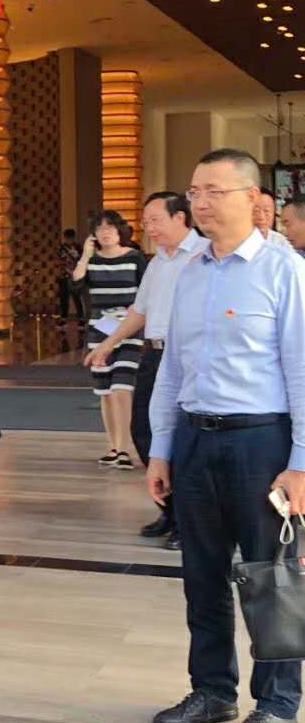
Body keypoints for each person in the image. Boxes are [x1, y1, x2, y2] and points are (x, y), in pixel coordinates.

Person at [148, 149, 305, 723]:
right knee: (202, 574)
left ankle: (278, 704)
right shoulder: (190, 273)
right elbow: (172, 370)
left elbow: (302, 372)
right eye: (195, 191)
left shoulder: (284, 270)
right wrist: (162, 449)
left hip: (261, 442)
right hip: (196, 439)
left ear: (251, 198)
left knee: (271, 576)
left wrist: (300, 463)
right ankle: (212, 690)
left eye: (214, 190)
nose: (200, 202)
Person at [85, 191, 208, 550]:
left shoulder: (205, 255)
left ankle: (188, 522)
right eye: (145, 221)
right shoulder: (157, 262)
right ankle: (168, 509)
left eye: (155, 220)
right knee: (145, 429)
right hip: (155, 355)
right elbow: (139, 312)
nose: (148, 227)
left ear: (180, 218)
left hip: (191, 358)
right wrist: (108, 344)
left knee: (186, 439)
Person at [73, 210, 147, 470]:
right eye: (100, 229)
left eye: (110, 228)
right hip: (100, 328)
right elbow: (76, 286)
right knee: (105, 391)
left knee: (121, 388)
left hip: (129, 328)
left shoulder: (134, 257)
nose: (105, 233)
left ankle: (125, 448)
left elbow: (147, 292)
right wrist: (85, 256)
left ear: (120, 231)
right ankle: (113, 447)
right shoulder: (92, 261)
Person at [57, 228, 86, 322]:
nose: (69, 240)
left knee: (77, 297)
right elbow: (59, 261)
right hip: (64, 275)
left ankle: (81, 318)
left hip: (75, 276)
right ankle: (63, 318)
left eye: (71, 238)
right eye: (67, 238)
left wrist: (77, 256)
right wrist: (65, 269)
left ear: (74, 238)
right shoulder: (61, 248)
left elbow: (83, 260)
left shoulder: (78, 247)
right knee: (64, 297)